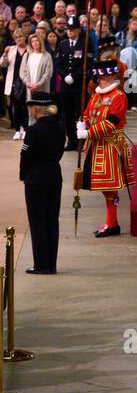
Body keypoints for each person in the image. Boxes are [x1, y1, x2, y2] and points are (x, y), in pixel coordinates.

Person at [77, 54, 136, 237]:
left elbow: (110, 123)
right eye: (98, 78)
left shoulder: (119, 97)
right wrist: (82, 123)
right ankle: (112, 222)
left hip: (110, 146)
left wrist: (88, 133)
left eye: (102, 78)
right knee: (103, 188)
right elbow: (88, 113)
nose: (99, 81)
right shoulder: (96, 96)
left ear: (111, 77)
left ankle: (112, 223)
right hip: (96, 146)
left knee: (110, 188)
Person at [19, 91, 66, 274]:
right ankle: (51, 264)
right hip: (54, 175)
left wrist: (23, 175)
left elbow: (26, 156)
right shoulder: (59, 127)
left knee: (38, 222)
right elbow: (59, 153)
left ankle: (41, 264)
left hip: (36, 179)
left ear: (35, 109)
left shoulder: (33, 130)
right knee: (51, 221)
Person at [56, 19, 86, 152]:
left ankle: (81, 141)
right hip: (66, 86)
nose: (70, 31)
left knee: (80, 114)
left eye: (73, 29)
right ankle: (71, 141)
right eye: (68, 29)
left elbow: (86, 64)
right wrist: (64, 76)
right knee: (66, 115)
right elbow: (58, 63)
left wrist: (74, 76)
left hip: (78, 85)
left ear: (78, 30)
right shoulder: (62, 44)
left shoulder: (84, 44)